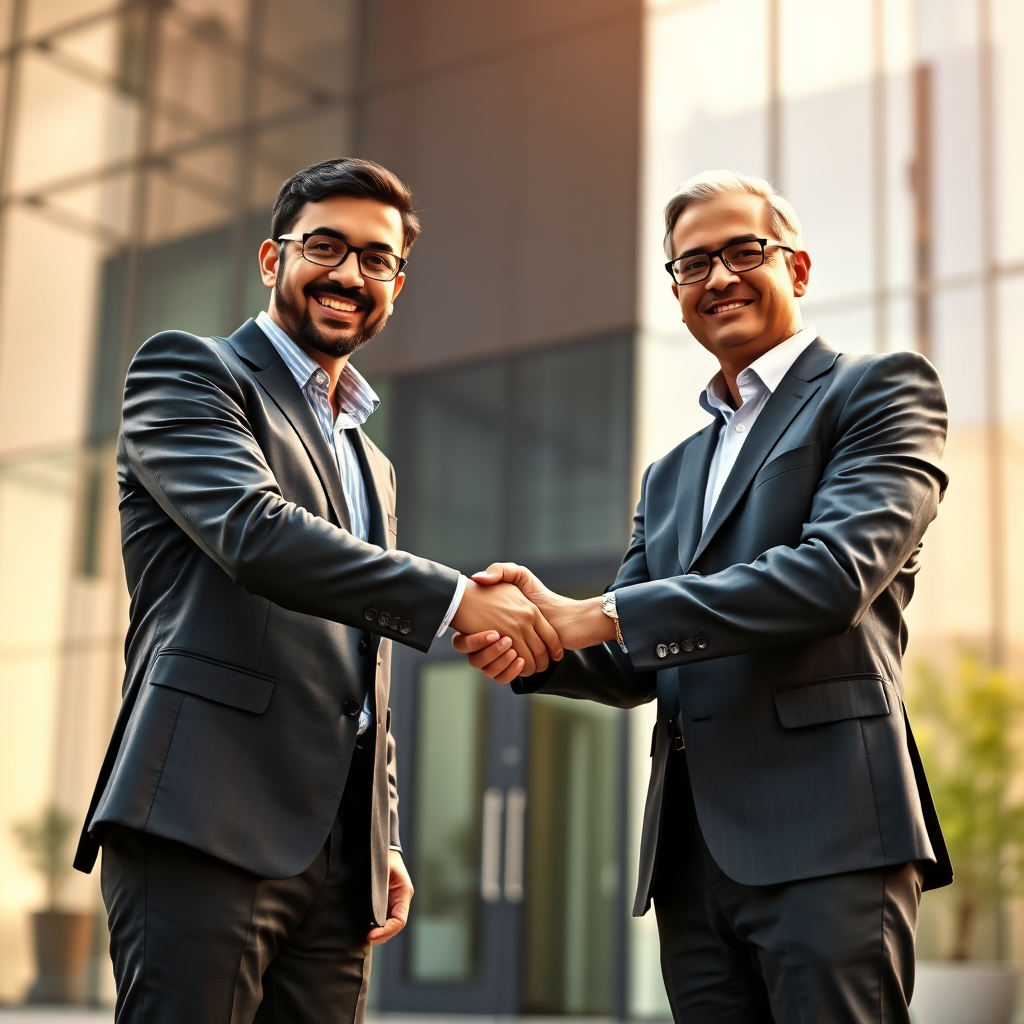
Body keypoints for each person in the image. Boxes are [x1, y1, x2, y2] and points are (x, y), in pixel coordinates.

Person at [72, 157, 561, 1024]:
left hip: (338, 856)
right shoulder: (189, 374)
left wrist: (383, 830)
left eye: (376, 259)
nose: (348, 275)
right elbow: (255, 535)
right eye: (325, 247)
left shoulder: (374, 463)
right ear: (272, 260)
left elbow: (360, 664)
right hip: (203, 821)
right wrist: (455, 600)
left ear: (397, 285)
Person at [457, 170, 952, 1023]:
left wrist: (599, 614)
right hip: (691, 861)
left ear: (796, 270)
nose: (718, 276)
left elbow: (831, 578)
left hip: (826, 839)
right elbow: (631, 656)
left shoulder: (877, 391)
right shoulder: (673, 470)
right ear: (678, 293)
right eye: (692, 265)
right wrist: (535, 646)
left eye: (742, 251)